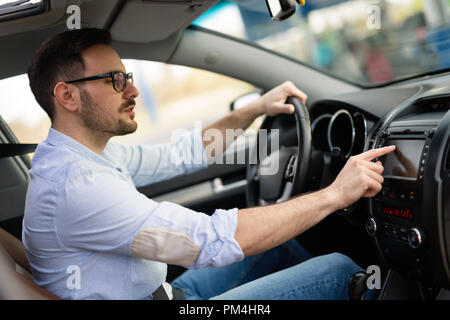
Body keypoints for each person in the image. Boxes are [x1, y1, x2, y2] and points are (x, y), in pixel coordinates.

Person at [23, 28, 395, 300]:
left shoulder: (87, 153)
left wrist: (254, 109)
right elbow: (210, 242)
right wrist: (333, 195)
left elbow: (182, 154)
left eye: (129, 77)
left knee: (281, 246)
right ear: (68, 95)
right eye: (115, 80)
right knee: (337, 274)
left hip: (168, 293)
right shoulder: (77, 185)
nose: (132, 90)